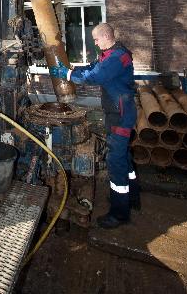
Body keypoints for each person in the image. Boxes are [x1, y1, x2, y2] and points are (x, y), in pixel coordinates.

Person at [50, 23, 140, 229]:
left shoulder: (117, 58)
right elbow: (92, 67)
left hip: (120, 116)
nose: (95, 42)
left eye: (97, 39)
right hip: (117, 114)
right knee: (124, 157)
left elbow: (95, 76)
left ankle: (119, 213)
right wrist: (72, 69)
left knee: (115, 161)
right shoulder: (109, 55)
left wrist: (67, 76)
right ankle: (132, 198)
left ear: (106, 37)